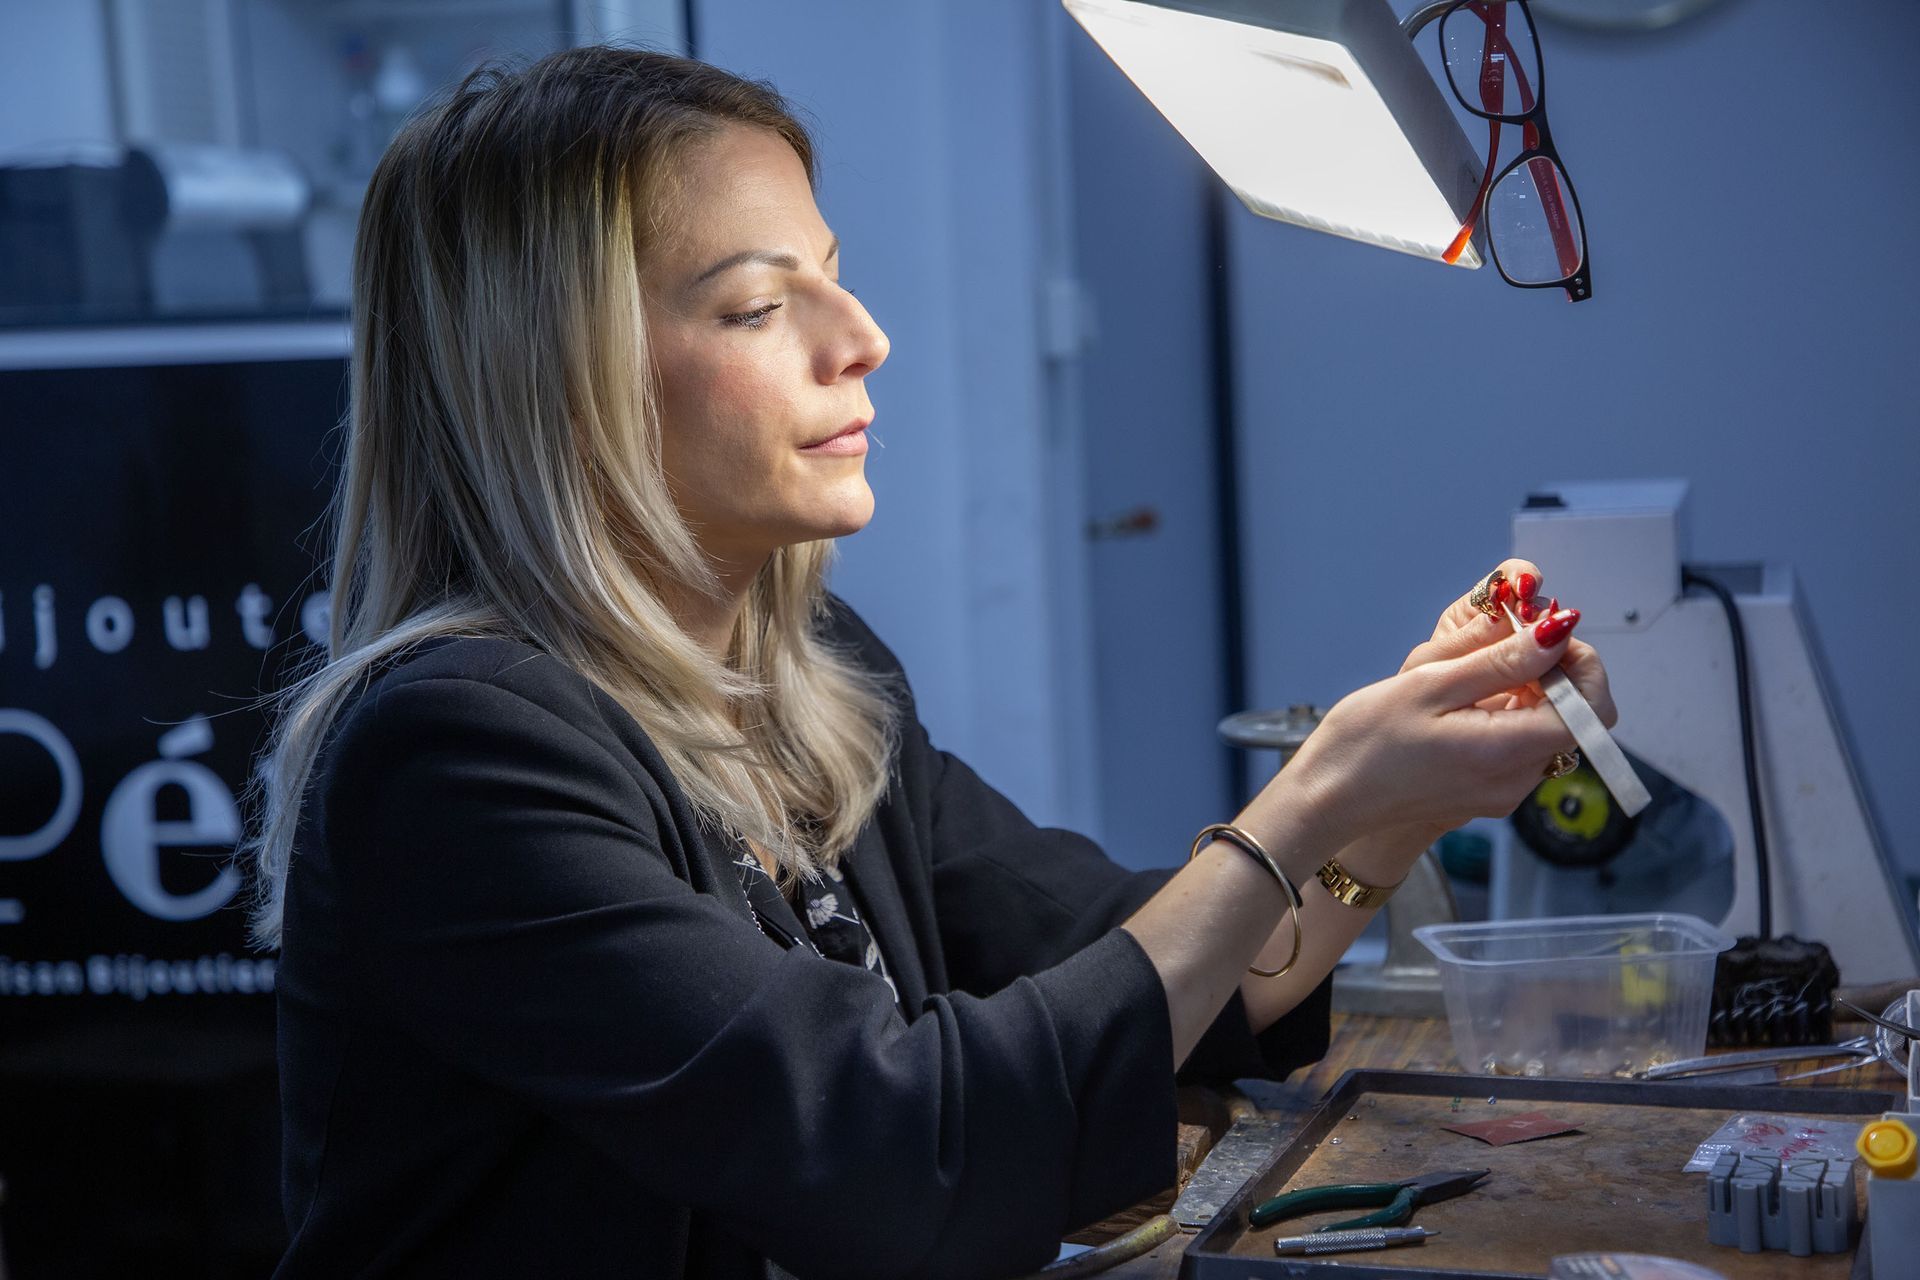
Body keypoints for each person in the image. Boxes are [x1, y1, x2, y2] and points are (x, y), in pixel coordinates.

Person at [249, 45, 1613, 1280]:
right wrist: (1310, 796)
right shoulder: (458, 760)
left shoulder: (810, 677)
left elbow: (1162, 995)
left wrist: (1398, 802)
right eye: (754, 309)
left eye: (832, 273)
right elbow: (897, 1160)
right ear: (559, 381)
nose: (862, 340)